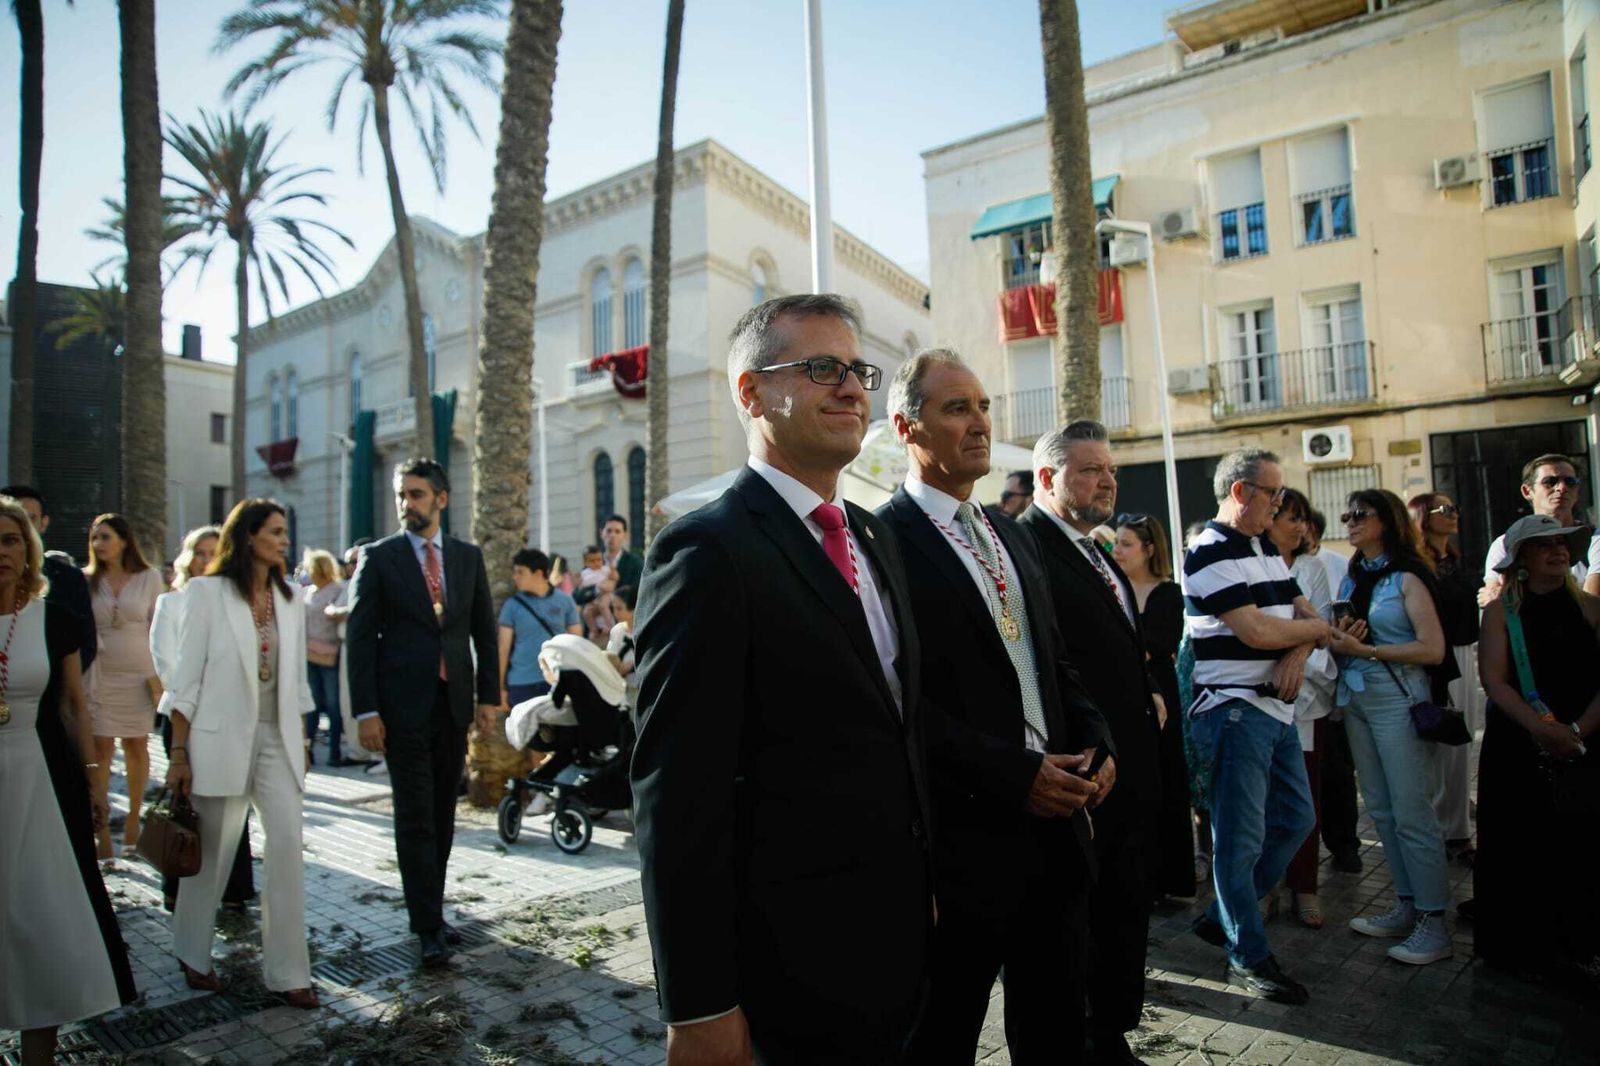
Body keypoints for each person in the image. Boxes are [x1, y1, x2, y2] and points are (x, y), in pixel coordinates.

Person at [632, 294, 932, 1065]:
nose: (853, 388)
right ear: (750, 392)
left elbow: (896, 723)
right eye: (822, 367)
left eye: (859, 369)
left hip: (899, 938)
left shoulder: (872, 534)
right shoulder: (704, 552)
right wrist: (699, 1004)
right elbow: (677, 790)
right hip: (789, 965)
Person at [883, 360, 1114, 1064]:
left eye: (983, 405)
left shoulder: (1012, 534)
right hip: (962, 846)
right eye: (956, 408)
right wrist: (1013, 774)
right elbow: (896, 702)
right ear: (907, 427)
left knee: (1055, 1032)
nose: (980, 422)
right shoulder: (882, 541)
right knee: (941, 1034)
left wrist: (1097, 738)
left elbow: (1053, 660)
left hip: (1058, 834)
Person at [998, 415, 1161, 1065]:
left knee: (1123, 913)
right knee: (1078, 930)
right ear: (1047, 477)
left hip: (1127, 771)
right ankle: (1092, 1036)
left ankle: (1111, 1029)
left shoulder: (1098, 550)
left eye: (1111, 470)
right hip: (1078, 775)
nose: (1107, 481)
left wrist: (1144, 687)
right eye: (1091, 470)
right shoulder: (1023, 546)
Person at [1184, 448, 1331, 1004]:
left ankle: (1223, 915)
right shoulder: (1207, 551)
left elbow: (1309, 618)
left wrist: (1295, 655)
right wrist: (1295, 642)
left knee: (1296, 819)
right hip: (1236, 711)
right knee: (1238, 840)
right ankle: (1248, 953)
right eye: (1273, 493)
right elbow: (1258, 634)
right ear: (1242, 493)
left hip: (1275, 709)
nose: (1281, 503)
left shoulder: (1266, 545)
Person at [162, 499, 319, 1008]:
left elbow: (296, 683)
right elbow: (186, 678)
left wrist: (304, 742)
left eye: (284, 532)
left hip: (278, 738)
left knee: (287, 848)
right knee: (213, 853)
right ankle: (192, 952)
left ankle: (290, 973)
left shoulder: (292, 599)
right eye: (275, 531)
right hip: (218, 738)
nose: (284, 540)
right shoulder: (206, 593)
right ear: (249, 536)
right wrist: (179, 754)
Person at [345, 458, 499, 969]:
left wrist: (487, 699)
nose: (406, 504)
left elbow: (482, 632)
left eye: (415, 494)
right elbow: (360, 639)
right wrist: (366, 711)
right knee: (415, 816)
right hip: (400, 709)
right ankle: (427, 926)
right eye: (401, 495)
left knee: (443, 813)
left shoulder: (466, 557)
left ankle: (434, 910)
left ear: (441, 499)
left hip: (452, 706)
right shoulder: (379, 558)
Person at [0, 495, 136, 1064]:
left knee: (45, 913)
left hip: (40, 780)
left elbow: (75, 707)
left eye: (9, 539)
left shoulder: (54, 618)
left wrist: (92, 780)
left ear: (27, 548)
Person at [1474, 514, 1600, 975]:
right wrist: (1541, 728)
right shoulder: (1502, 610)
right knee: (1517, 843)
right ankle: (1518, 949)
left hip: (1583, 744)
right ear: (1521, 558)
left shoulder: (1590, 608)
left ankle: (1576, 944)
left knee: (1577, 846)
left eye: (1563, 542)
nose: (1558, 550)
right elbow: (1495, 680)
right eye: (1544, 544)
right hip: (1516, 744)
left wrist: (1577, 731)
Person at [1330, 489, 1452, 965]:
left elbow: (1433, 649)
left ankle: (1434, 921)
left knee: (1412, 811)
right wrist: (1345, 640)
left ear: (1388, 520)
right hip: (1359, 698)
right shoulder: (1356, 574)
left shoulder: (1407, 576)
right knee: (1380, 810)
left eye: (1361, 514)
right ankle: (1408, 906)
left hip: (1399, 699)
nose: (1351, 521)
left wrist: (1369, 651)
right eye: (1348, 513)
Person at [149, 525, 254, 914]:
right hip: (184, 717)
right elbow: (167, 664)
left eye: (215, 552)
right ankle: (177, 885)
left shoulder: (236, 603)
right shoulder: (171, 603)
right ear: (188, 558)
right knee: (185, 807)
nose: (207, 560)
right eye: (200, 552)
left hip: (228, 719)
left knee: (231, 802)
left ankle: (234, 888)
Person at [1110, 510, 1195, 902]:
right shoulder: (1111, 587)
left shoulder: (1167, 592)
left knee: (1166, 780)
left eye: (1126, 544)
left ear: (1148, 549)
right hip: (1124, 692)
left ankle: (1171, 880)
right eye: (1116, 543)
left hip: (1159, 691)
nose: (1117, 551)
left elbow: (1159, 643)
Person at [1265, 489, 1337, 929]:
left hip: (1307, 698)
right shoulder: (1251, 565)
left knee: (1303, 797)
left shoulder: (1314, 568)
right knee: (1262, 800)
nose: (1300, 526)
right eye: (1290, 517)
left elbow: (1322, 628)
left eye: (1303, 519)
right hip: (1260, 693)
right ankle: (1266, 885)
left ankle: (1304, 886)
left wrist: (1297, 653)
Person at [82, 513, 164, 859]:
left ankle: (134, 820)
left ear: (124, 540)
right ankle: (101, 830)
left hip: (139, 674)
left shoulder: (149, 577)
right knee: (100, 749)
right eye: (95, 538)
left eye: (106, 537)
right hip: (100, 673)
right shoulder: (85, 579)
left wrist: (160, 679)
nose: (99, 544)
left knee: (136, 746)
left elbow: (158, 628)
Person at [1409, 491, 1482, 862]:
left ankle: (1455, 829)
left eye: (1455, 507)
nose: (1454, 514)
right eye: (1444, 509)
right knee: (1443, 747)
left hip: (1465, 654)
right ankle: (1446, 833)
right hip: (1438, 659)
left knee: (1460, 744)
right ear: (1423, 516)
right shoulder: (1418, 564)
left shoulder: (1452, 559)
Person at [1304, 508, 1362, 874]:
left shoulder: (1336, 565)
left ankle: (1344, 845)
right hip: (1301, 689)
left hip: (1332, 680)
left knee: (1337, 774)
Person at [2, 486, 97, 673]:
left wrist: (51, 680)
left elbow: (84, 643)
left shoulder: (68, 578)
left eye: (30, 518)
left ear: (44, 523)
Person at [1481, 453, 1599, 602]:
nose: (1562, 488)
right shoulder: (1505, 544)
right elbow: (1494, 601)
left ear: (1577, 492)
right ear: (1527, 491)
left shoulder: (1595, 539)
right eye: (1550, 481)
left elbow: (1593, 605)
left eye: (1570, 482)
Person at [497, 547, 581, 710]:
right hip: (521, 684)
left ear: (538, 574)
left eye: (520, 572)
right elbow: (503, 649)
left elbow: (576, 642)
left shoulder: (565, 601)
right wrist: (499, 688)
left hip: (557, 681)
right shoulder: (511, 606)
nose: (515, 577)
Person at [301, 549, 348, 767]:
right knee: (312, 703)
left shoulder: (337, 589)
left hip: (329, 654)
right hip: (309, 653)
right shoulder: (308, 591)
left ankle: (335, 750)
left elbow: (339, 613)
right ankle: (307, 748)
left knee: (332, 703)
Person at [577, 545, 615, 638]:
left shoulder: (605, 569)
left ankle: (609, 625)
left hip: (606, 594)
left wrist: (612, 570)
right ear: (586, 562)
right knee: (586, 612)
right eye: (592, 561)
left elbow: (614, 578)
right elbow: (580, 589)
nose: (596, 563)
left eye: (599, 560)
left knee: (603, 605)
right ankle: (593, 630)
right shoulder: (585, 573)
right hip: (593, 598)